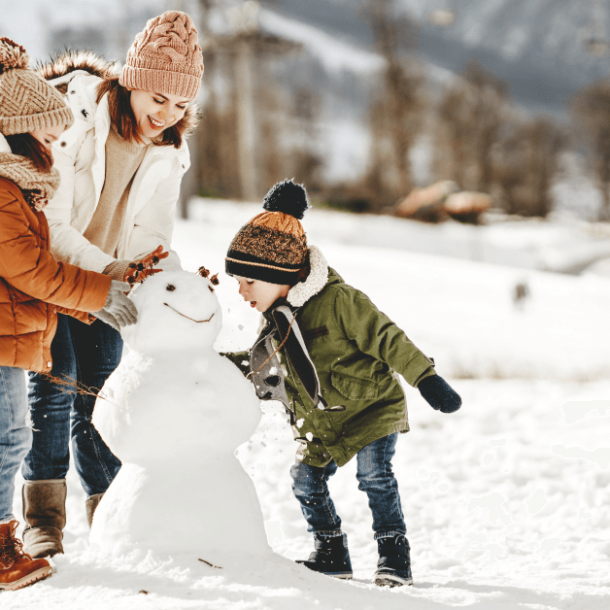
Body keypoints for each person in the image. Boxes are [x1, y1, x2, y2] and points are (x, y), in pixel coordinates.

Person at [21, 10, 204, 559]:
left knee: (102, 394)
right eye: (158, 99)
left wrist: (171, 281)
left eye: (180, 105)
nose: (166, 114)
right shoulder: (73, 117)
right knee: (55, 387)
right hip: (52, 272)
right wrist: (108, 271)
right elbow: (51, 221)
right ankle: (43, 520)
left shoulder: (170, 149)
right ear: (132, 83)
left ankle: (111, 508)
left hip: (108, 283)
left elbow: (152, 234)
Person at [224, 180, 462, 588]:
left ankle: (393, 556)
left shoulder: (339, 301)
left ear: (278, 273)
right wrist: (211, 370)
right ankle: (331, 552)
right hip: (322, 423)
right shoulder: (276, 320)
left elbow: (388, 338)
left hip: (370, 409)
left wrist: (427, 379)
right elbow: (262, 372)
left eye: (249, 280)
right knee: (304, 479)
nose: (241, 290)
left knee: (374, 476)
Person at [0, 37, 137, 591]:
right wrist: (99, 293)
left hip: (9, 333)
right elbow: (31, 268)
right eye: (51, 139)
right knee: (9, 438)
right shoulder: (4, 194)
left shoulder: (17, 190)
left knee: (9, 435)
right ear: (17, 131)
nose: (57, 152)